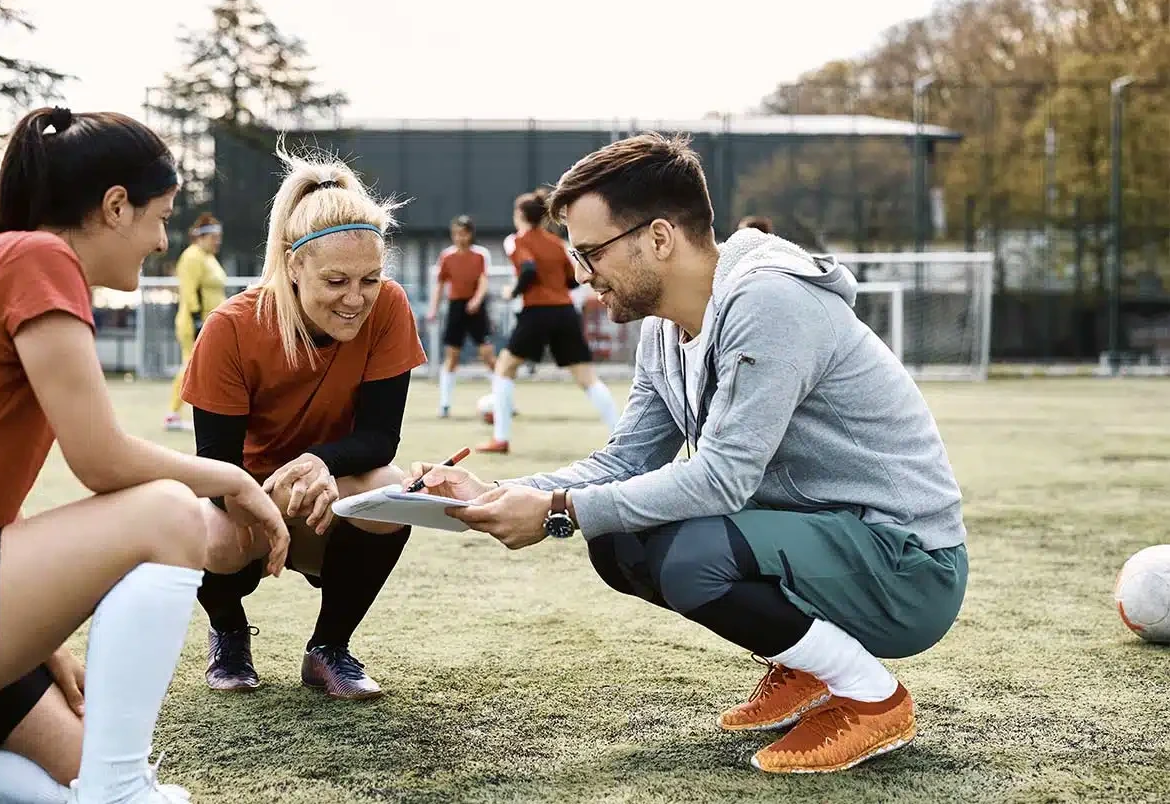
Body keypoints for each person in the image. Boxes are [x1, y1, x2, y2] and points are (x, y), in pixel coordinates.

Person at [407, 132, 968, 774]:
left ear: (659, 239)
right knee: (618, 543)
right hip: (823, 546)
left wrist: (559, 509)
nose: (583, 275)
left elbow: (724, 479)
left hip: (908, 567)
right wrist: (499, 492)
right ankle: (807, 664)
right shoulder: (663, 326)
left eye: (591, 253)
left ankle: (871, 698)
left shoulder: (770, 301)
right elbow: (624, 464)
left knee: (691, 555)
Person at [0, 106, 288, 804]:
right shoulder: (36, 257)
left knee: (78, 768)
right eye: (160, 217)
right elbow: (100, 459)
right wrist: (232, 477)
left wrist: (34, 634)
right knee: (170, 512)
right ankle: (121, 791)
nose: (161, 240)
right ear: (115, 206)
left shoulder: (4, 257)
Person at [180, 143, 427, 700]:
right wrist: (272, 505)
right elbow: (213, 465)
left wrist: (321, 463)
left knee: (393, 491)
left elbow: (380, 437)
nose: (357, 298)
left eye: (370, 278)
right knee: (200, 529)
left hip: (327, 494)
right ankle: (228, 631)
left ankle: (329, 648)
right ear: (294, 266)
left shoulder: (389, 306)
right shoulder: (231, 327)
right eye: (336, 281)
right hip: (244, 494)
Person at [477, 189, 620, 454]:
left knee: (504, 369)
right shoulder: (556, 243)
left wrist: (514, 291)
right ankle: (620, 436)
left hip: (537, 312)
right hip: (564, 312)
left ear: (520, 215)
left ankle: (501, 439)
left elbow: (528, 268)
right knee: (588, 379)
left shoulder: (517, 240)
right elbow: (570, 278)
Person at [425, 215, 495, 418]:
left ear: (470, 234)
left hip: (476, 309)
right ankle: (445, 405)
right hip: (456, 308)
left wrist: (476, 300)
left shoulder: (481, 255)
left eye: (463, 233)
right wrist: (433, 309)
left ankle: (504, 400)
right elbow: (440, 285)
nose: (459, 237)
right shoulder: (446, 256)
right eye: (455, 233)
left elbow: (484, 280)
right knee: (452, 357)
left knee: (488, 355)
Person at [165, 212, 228, 432]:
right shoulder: (192, 256)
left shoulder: (209, 258)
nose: (217, 240)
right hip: (195, 323)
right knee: (190, 366)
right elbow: (190, 291)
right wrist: (196, 320)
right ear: (201, 237)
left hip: (212, 323)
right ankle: (172, 414)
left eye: (219, 236)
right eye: (213, 236)